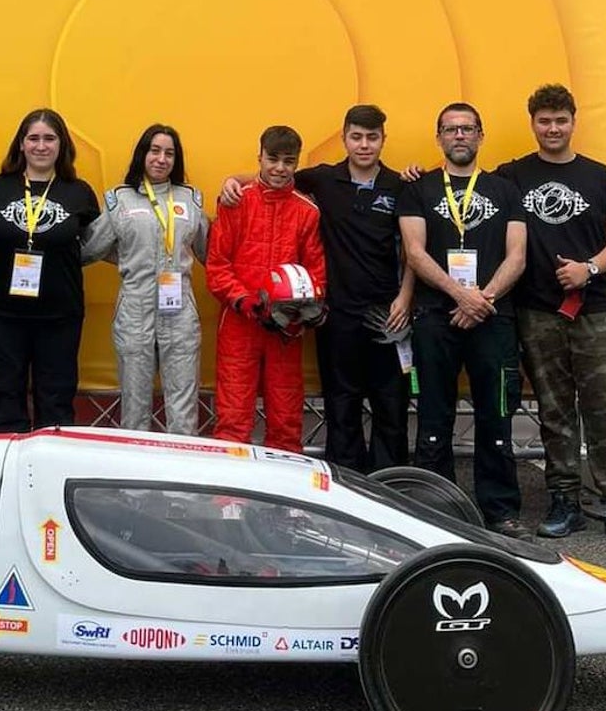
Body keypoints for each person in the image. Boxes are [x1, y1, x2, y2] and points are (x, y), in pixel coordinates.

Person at [222, 105, 414, 473]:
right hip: (337, 314)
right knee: (342, 404)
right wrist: (234, 180)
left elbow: (412, 250)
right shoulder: (323, 180)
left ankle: (390, 489)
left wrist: (405, 299)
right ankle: (346, 484)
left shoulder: (401, 186)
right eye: (356, 136)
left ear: (383, 140)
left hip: (387, 312)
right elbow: (276, 176)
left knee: (391, 404)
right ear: (344, 138)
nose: (364, 145)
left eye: (372, 137)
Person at [494, 84, 606, 547]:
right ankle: (565, 501)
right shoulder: (512, 176)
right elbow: (463, 184)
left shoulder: (601, 177)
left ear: (573, 122)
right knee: (555, 412)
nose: (553, 128)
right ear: (533, 123)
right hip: (538, 314)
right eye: (544, 120)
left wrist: (589, 268)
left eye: (560, 120)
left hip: (594, 312)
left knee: (605, 409)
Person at [397, 102, 529, 538]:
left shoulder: (505, 189)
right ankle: (436, 507)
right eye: (451, 129)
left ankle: (500, 509)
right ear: (438, 137)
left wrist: (483, 298)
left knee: (497, 413)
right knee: (434, 412)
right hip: (436, 316)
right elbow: (414, 252)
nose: (459, 136)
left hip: (493, 316)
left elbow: (518, 255)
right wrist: (459, 295)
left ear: (480, 135)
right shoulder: (418, 189)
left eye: (467, 128)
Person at [0, 108, 99, 433]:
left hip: (59, 317)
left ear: (61, 145)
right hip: (2, 314)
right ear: (21, 144)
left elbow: (101, 246)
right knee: (3, 399)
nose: (41, 146)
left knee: (56, 403)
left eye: (49, 138)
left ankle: (48, 475)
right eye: (33, 138)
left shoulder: (78, 192)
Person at [82, 124, 210, 435]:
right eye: (155, 150)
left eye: (169, 153)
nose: (161, 159)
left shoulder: (190, 200)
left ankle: (181, 477)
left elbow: (211, 253)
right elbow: (89, 249)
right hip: (135, 310)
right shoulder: (120, 200)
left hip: (179, 309)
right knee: (135, 406)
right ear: (143, 154)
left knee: (183, 408)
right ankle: (135, 483)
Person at [207, 125, 326, 453]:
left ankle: (285, 500)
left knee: (287, 420)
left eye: (288, 161)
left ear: (297, 163)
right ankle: (227, 501)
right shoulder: (235, 201)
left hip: (285, 329)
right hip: (239, 324)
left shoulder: (307, 211)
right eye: (272, 159)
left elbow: (316, 272)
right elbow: (218, 268)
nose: (279, 168)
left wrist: (309, 308)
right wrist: (247, 303)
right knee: (233, 418)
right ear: (259, 157)